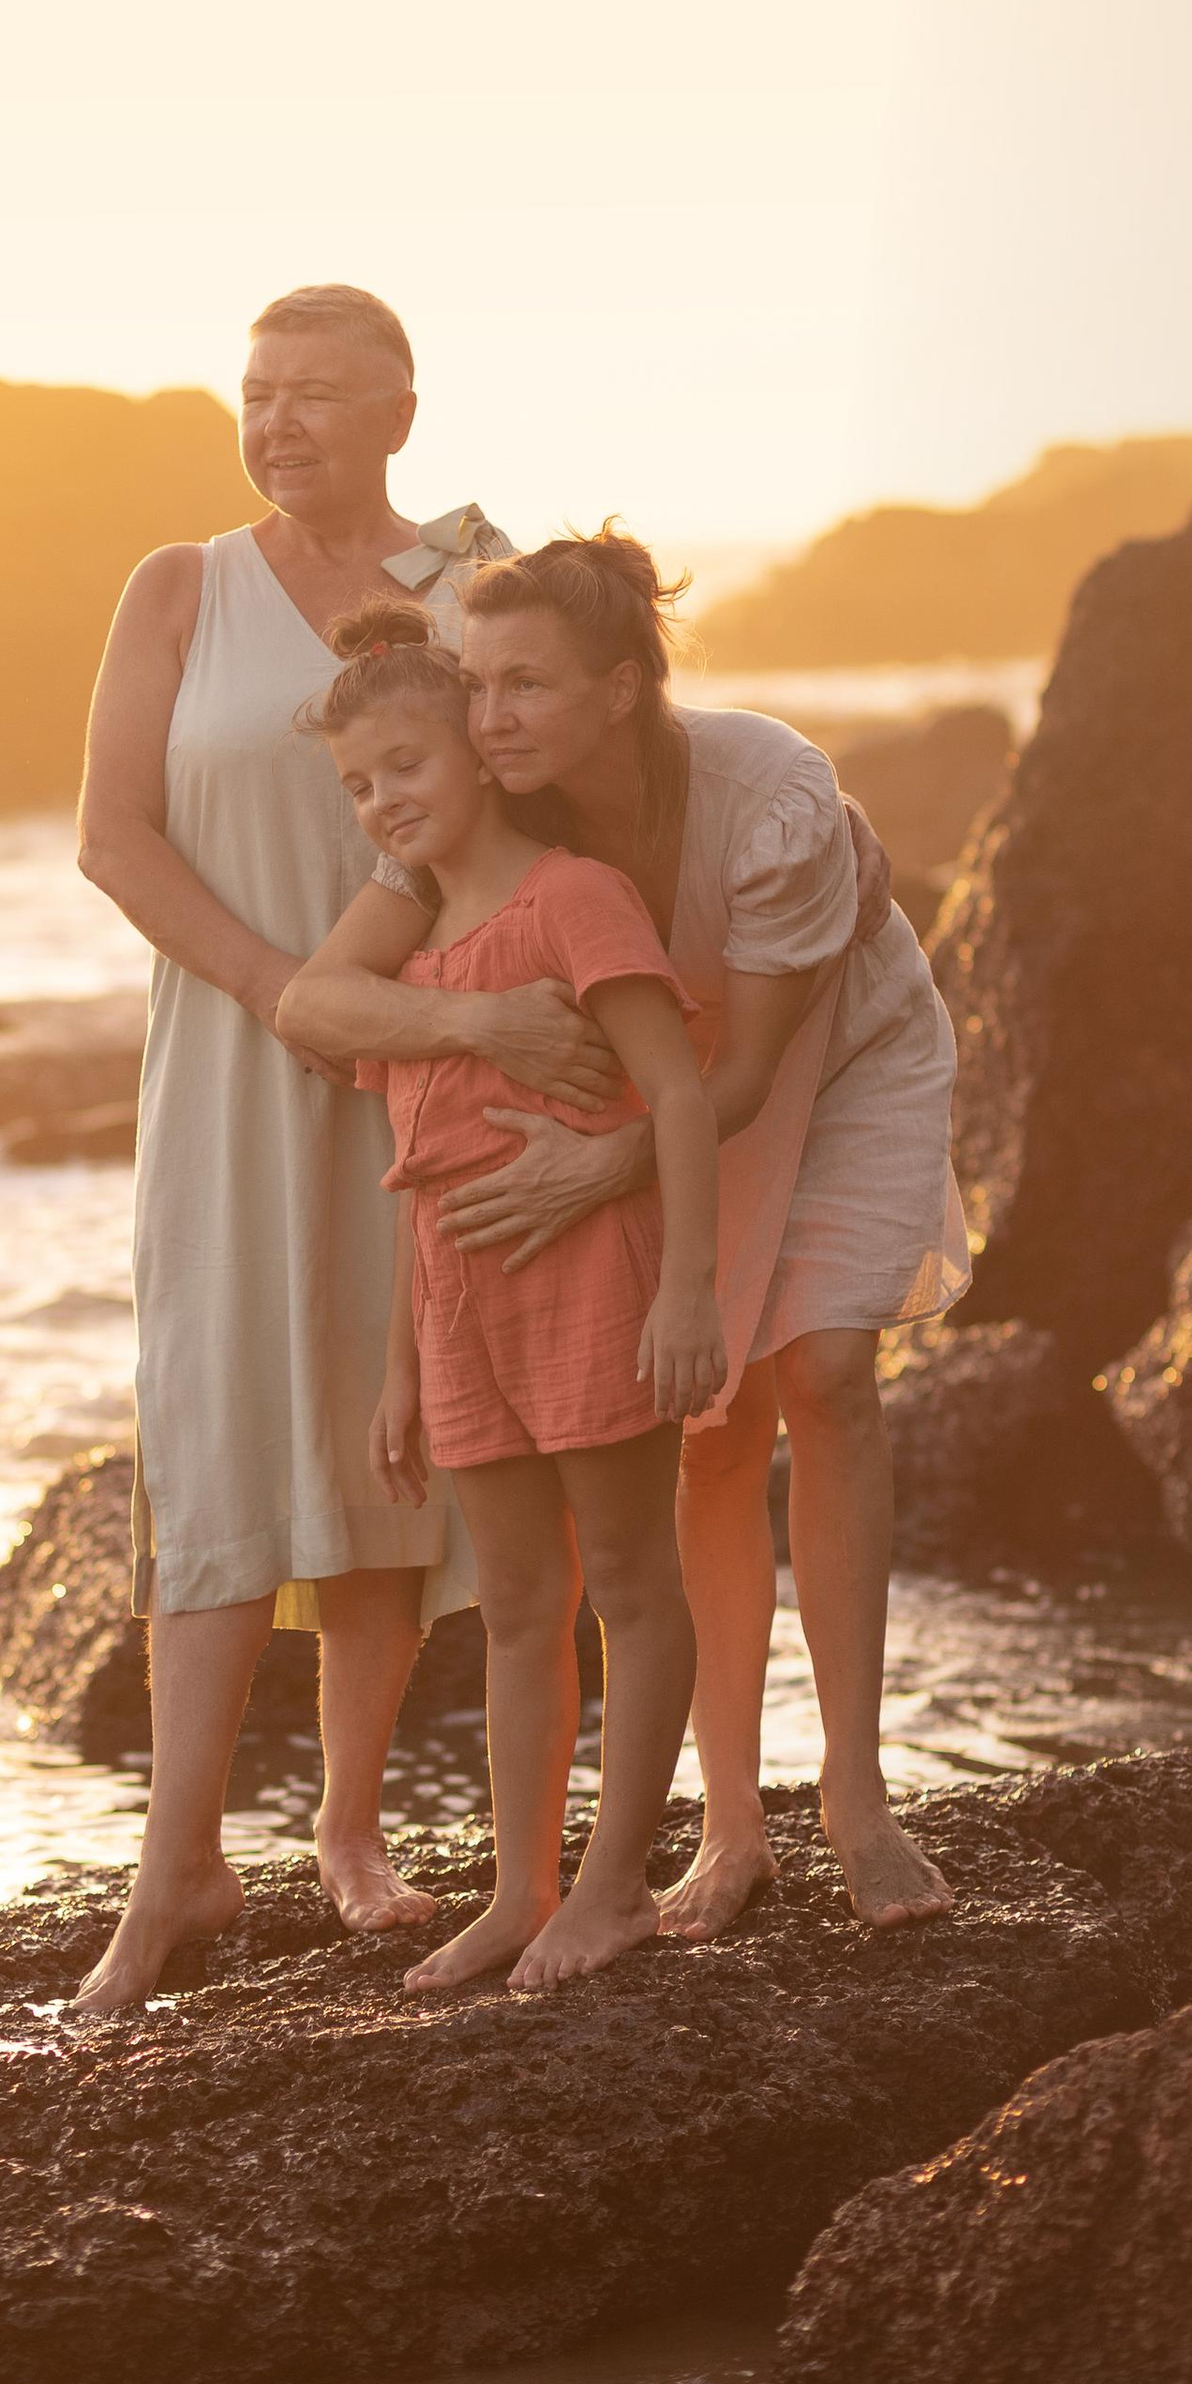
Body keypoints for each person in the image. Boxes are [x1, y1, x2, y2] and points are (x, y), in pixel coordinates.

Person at [277, 529, 971, 1934]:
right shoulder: (482, 811)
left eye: (525, 685)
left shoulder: (766, 794)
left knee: (825, 1374)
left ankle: (856, 1793)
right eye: (477, 684)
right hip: (660, 1095)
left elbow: (746, 1080)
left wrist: (587, 1176)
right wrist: (473, 1023)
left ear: (622, 688)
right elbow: (314, 1004)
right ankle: (729, 1827)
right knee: (708, 1431)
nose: (489, 716)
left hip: (826, 1063)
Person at [71, 286, 593, 2015]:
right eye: (255, 393)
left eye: (315, 394)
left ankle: (350, 1830)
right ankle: (178, 1869)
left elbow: (558, 781)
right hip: (234, 1054)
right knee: (219, 1425)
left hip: (445, 1052)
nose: (279, 422)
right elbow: (114, 835)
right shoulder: (179, 588)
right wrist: (284, 991)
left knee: (399, 1437)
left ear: (399, 411)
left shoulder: (474, 583)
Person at [308, 598, 722, 1991]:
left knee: (631, 1586)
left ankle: (615, 1891)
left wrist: (689, 1298)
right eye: (361, 786)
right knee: (517, 1604)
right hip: (463, 1316)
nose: (386, 803)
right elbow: (419, 1181)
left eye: (409, 768)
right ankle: (520, 1889)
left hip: (594, 1288)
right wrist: (401, 1370)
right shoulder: (412, 968)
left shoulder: (573, 899)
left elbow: (674, 1088)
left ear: (482, 756)